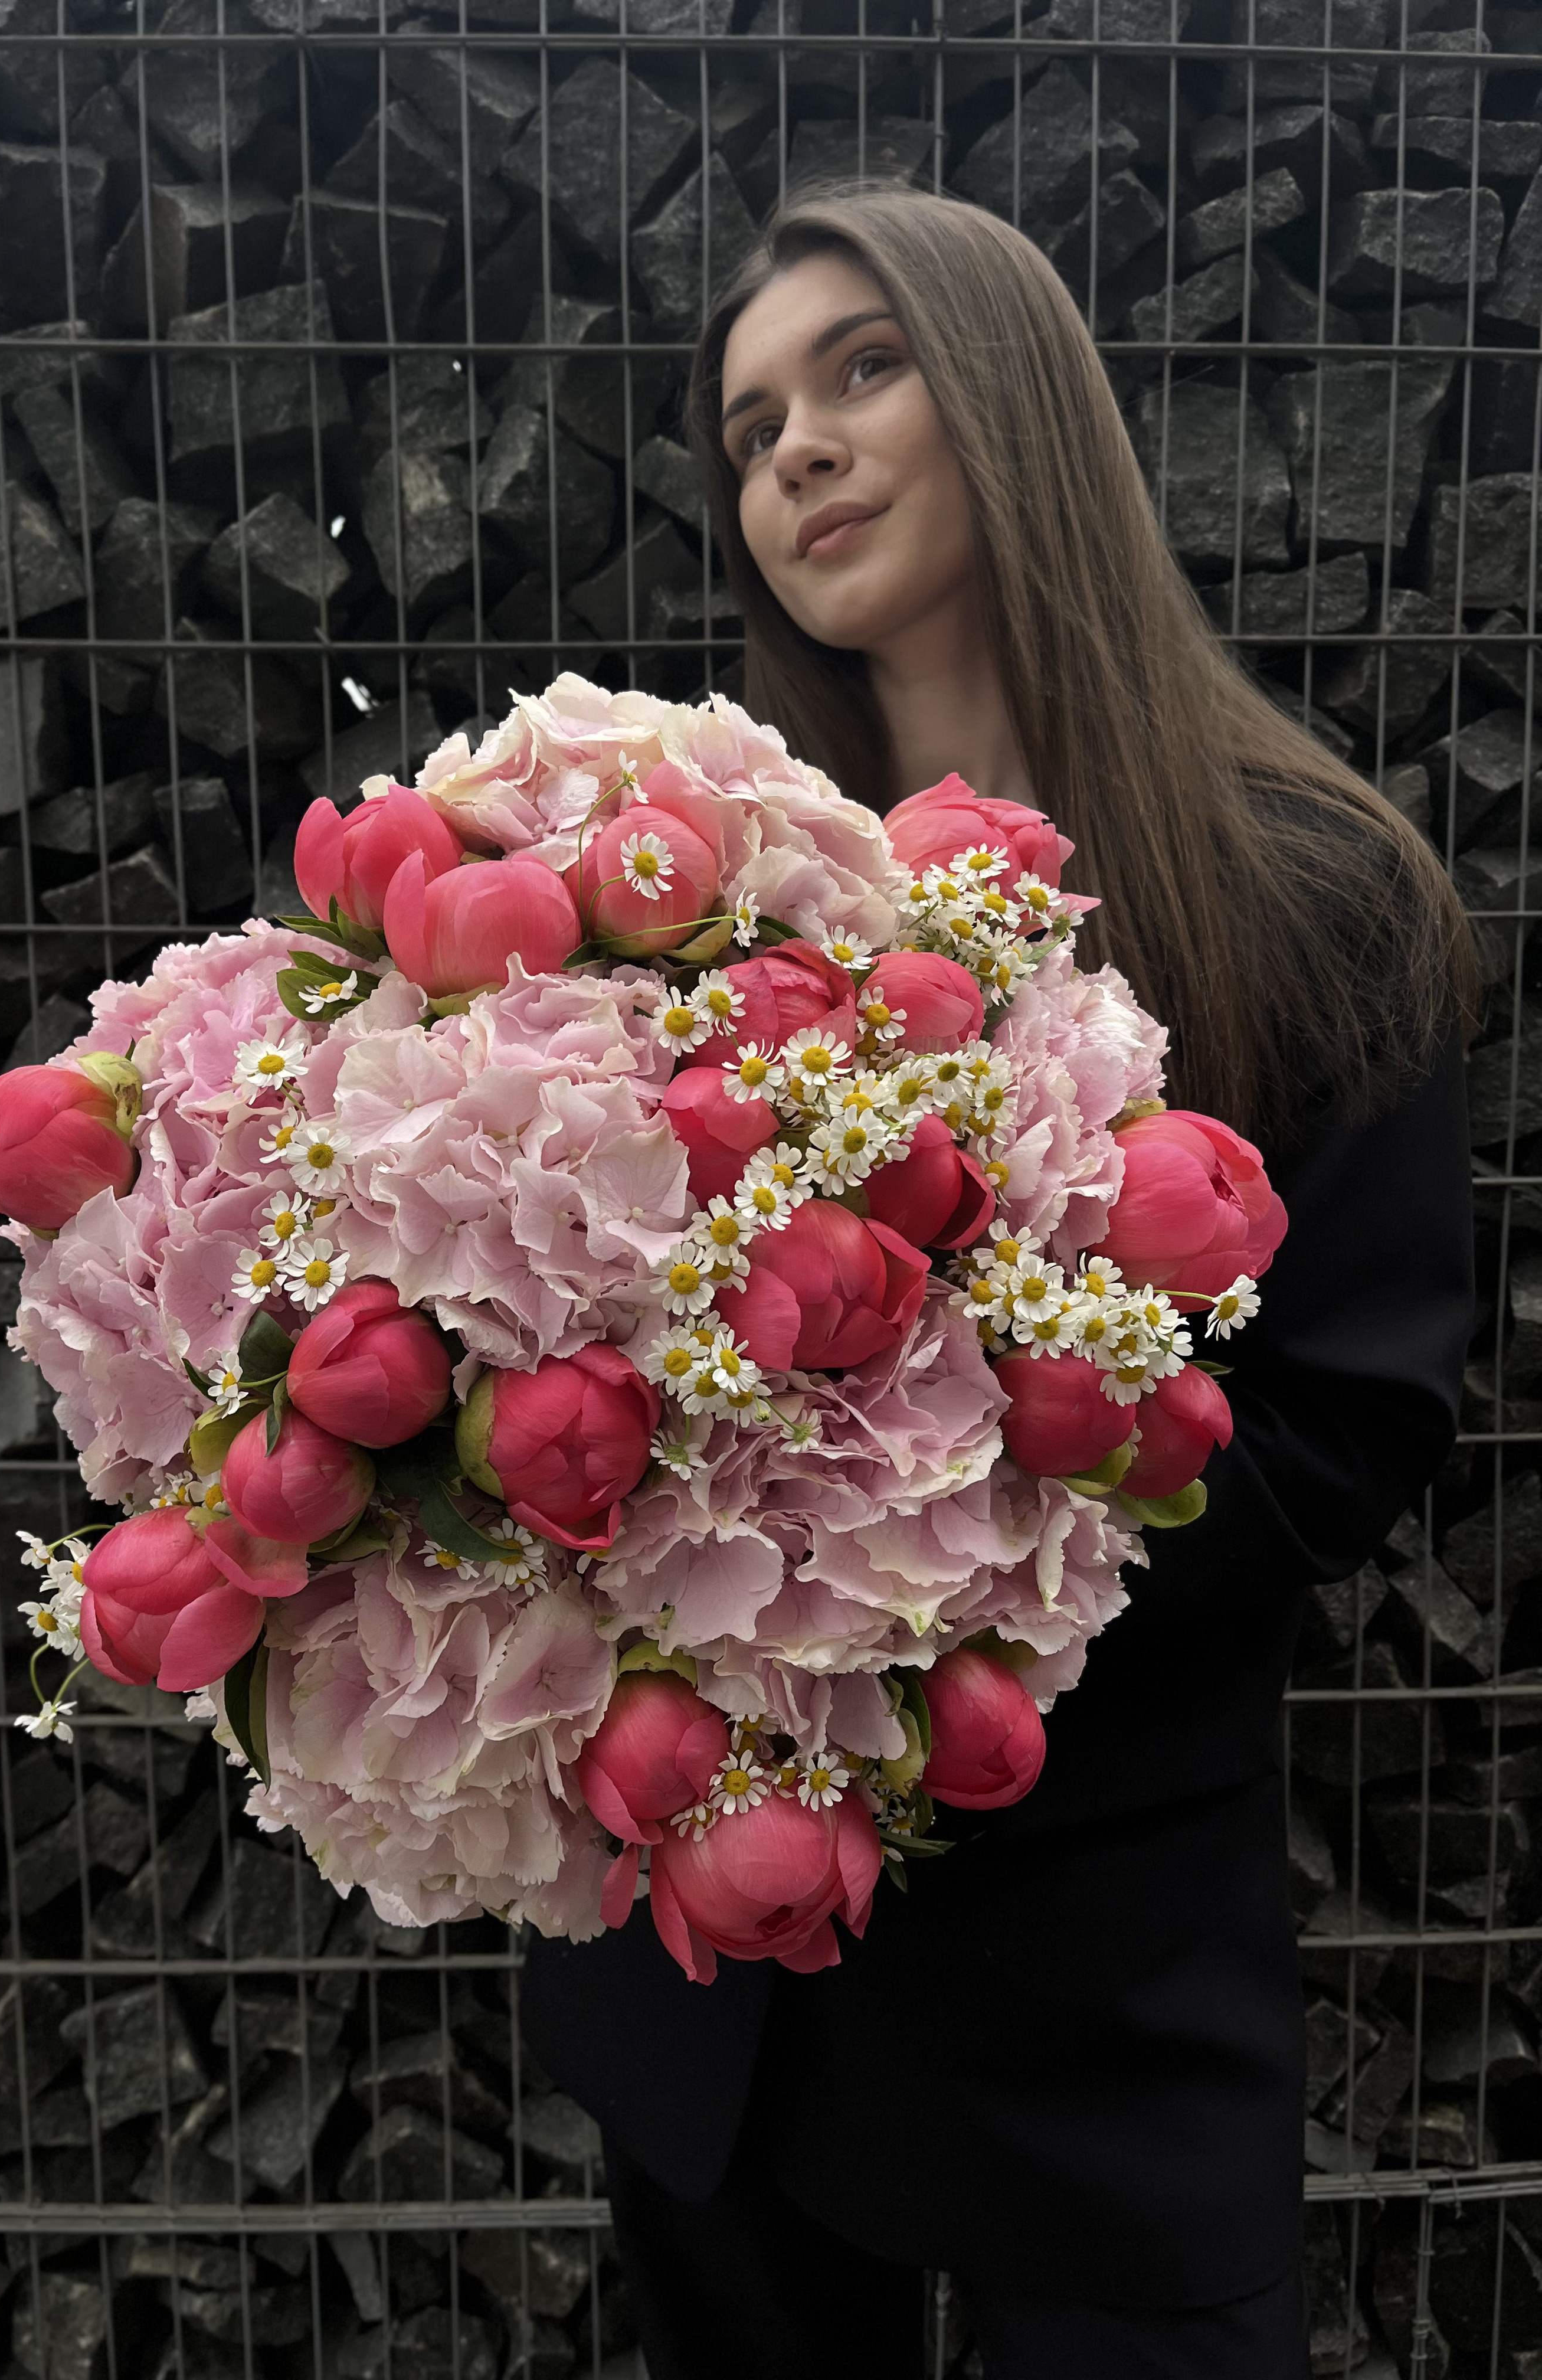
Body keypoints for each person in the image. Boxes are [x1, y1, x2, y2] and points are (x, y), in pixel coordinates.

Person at [521, 185, 1478, 2378]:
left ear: (1017, 394)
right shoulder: (686, 898)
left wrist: (902, 1560)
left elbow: (1346, 1424)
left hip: (1102, 1987)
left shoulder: (1311, 893)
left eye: (864, 368)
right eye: (751, 426)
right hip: (726, 1991)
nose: (796, 450)